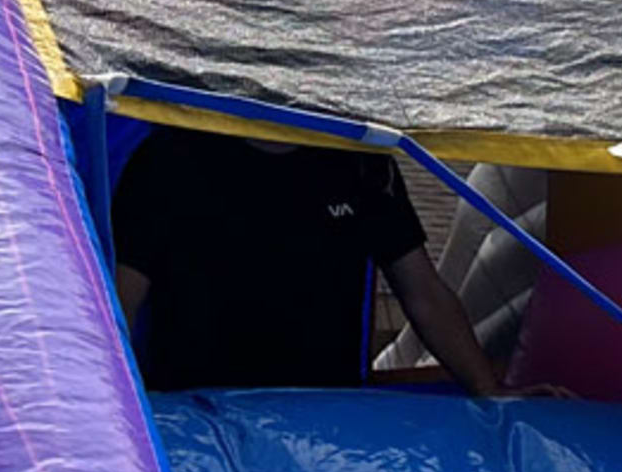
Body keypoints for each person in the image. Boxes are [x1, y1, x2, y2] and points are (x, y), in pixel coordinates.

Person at [111, 125, 500, 396]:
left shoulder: (360, 162)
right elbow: (120, 302)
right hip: (198, 407)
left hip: (323, 414)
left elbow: (423, 293)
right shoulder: (171, 157)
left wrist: (490, 395)